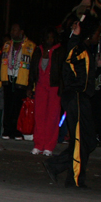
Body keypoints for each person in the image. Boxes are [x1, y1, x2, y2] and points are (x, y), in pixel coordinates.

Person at [43, 13, 99, 188]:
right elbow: (73, 67)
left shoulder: (82, 48)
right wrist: (75, 33)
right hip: (76, 96)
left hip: (79, 97)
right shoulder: (78, 48)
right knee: (80, 140)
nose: (99, 35)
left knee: (89, 141)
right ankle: (75, 178)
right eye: (97, 32)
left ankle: (55, 165)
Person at [0, 23, 36, 139]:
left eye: (15, 30)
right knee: (8, 106)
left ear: (21, 32)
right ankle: (7, 130)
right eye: (11, 30)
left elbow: (34, 68)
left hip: (22, 81)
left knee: (19, 108)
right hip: (8, 79)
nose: (12, 32)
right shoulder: (7, 45)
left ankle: (17, 131)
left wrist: (32, 86)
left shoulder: (31, 46)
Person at [29, 27, 63, 156]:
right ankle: (38, 144)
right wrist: (29, 86)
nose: (50, 40)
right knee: (39, 116)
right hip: (40, 86)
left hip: (54, 87)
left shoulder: (59, 51)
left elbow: (62, 70)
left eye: (52, 37)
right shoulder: (38, 50)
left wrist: (62, 88)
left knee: (52, 117)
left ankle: (49, 146)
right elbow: (33, 69)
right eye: (48, 37)